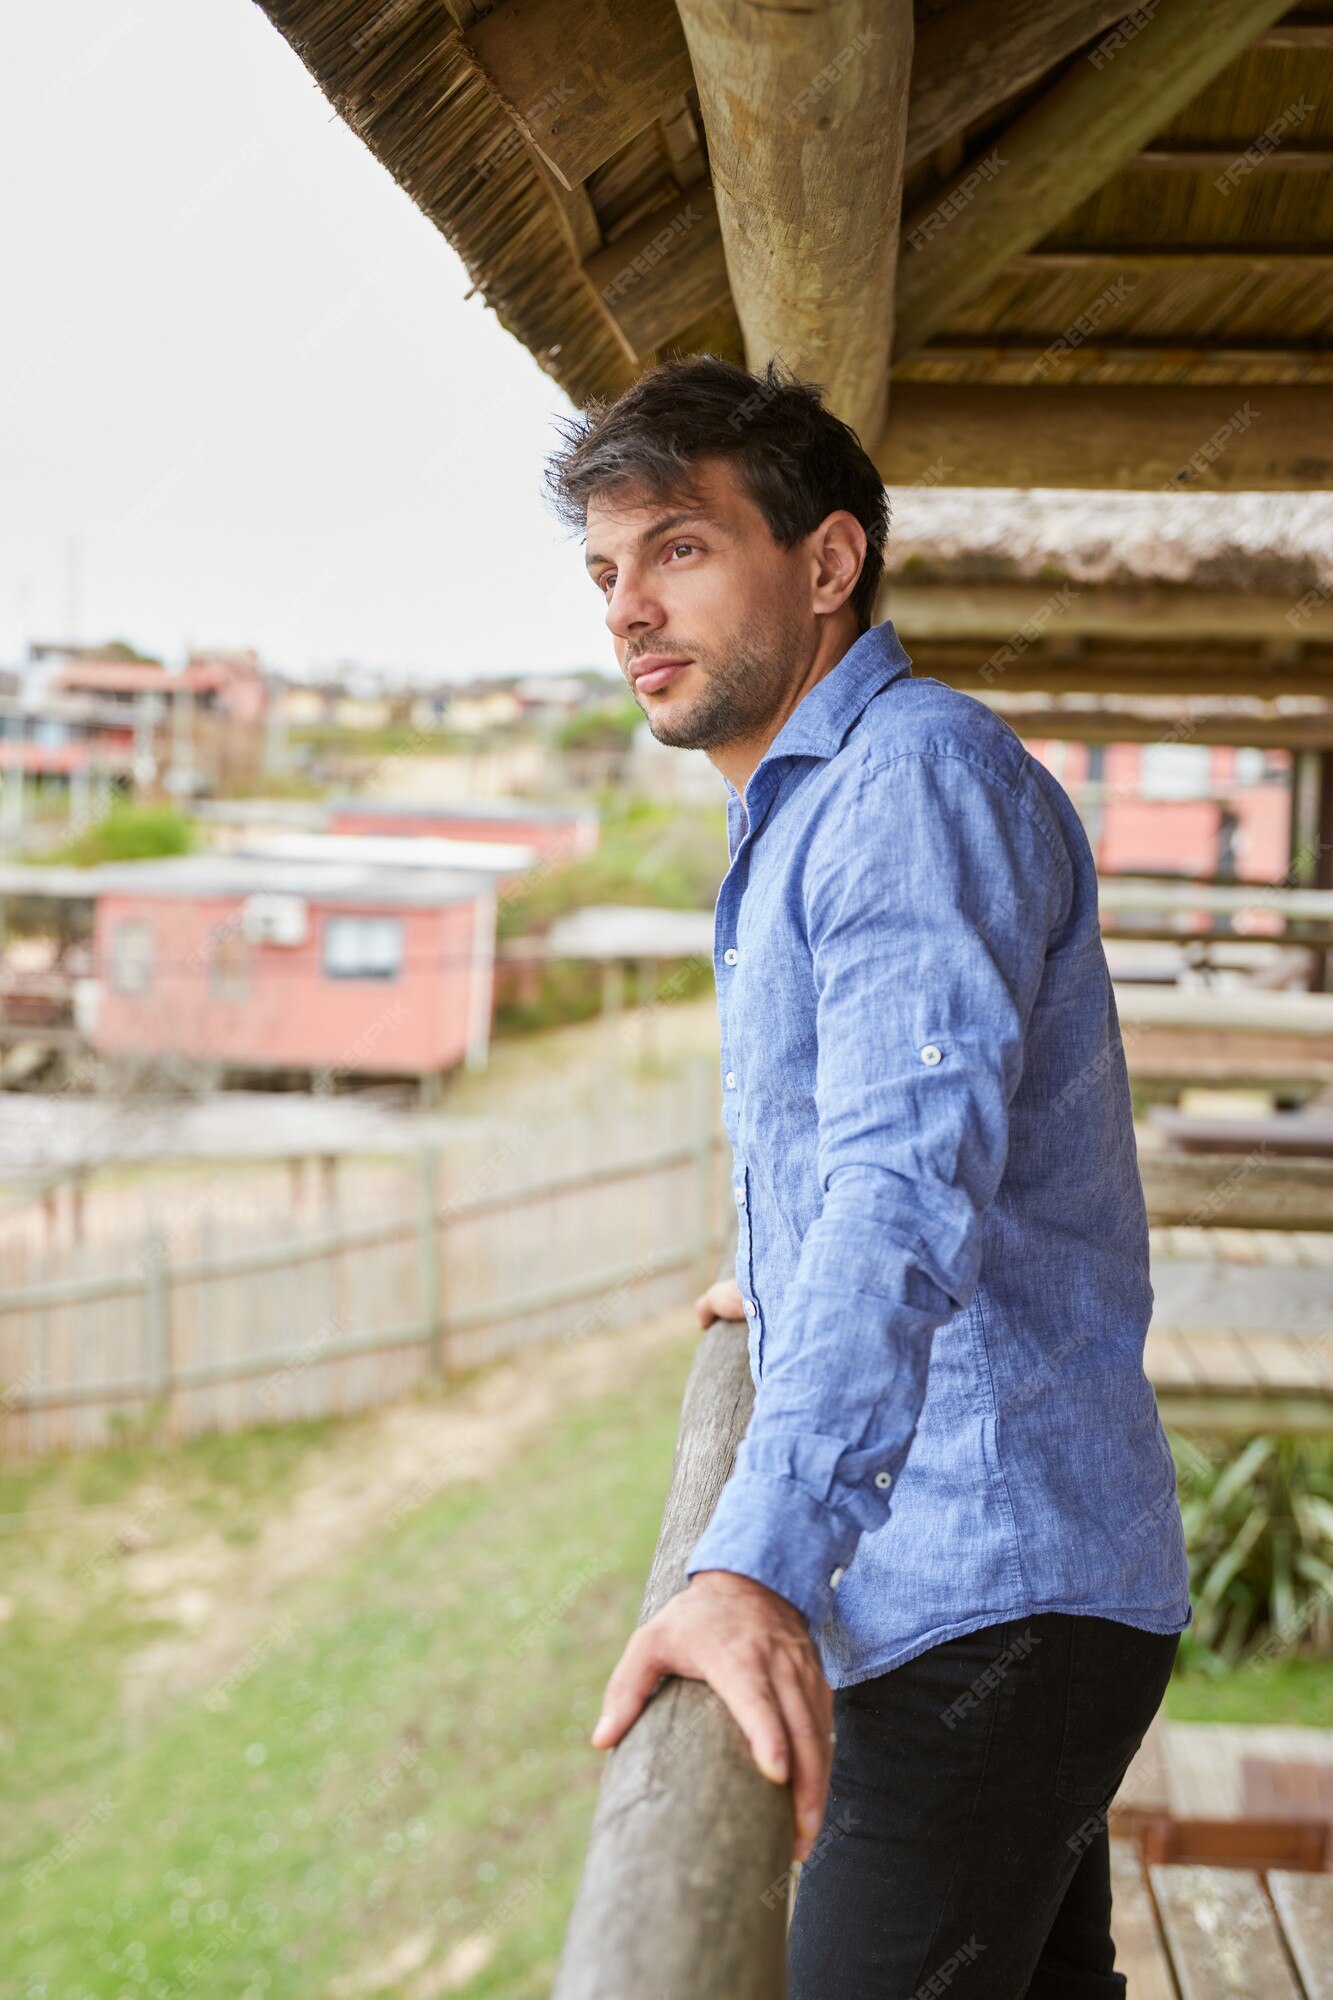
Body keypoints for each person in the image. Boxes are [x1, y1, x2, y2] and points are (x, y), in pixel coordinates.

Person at [542, 354, 1190, 1998]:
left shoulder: (907, 781)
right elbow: (872, 1159)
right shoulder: (814, 811)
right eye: (607, 569)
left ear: (825, 565)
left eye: (678, 548)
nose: (627, 609)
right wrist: (777, 1254)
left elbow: (906, 1184)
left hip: (987, 1593)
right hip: (997, 1587)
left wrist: (747, 1563)